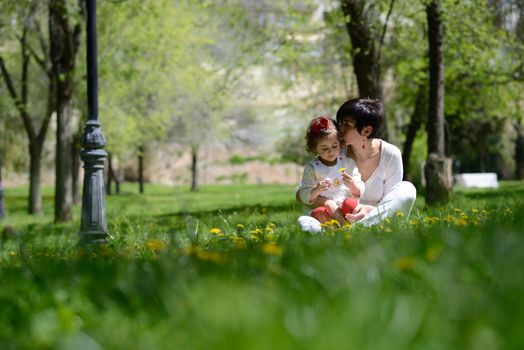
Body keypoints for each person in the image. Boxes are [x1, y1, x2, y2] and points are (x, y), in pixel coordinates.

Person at [297, 98, 416, 233]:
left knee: (408, 189)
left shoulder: (391, 154)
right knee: (305, 222)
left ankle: (354, 231)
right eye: (340, 123)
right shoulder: (334, 151)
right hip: (335, 216)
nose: (339, 129)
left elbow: (391, 202)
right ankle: (346, 231)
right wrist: (328, 204)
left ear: (366, 131)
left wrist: (366, 210)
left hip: (375, 219)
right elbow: (302, 193)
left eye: (347, 124)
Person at [296, 116, 365, 225]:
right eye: (324, 148)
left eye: (334, 146)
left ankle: (347, 223)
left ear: (340, 143)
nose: (331, 151)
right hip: (325, 207)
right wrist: (316, 190)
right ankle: (333, 226)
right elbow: (303, 194)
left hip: (345, 206)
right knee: (318, 213)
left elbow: (360, 190)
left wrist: (352, 184)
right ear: (314, 148)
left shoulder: (348, 163)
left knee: (351, 204)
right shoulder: (312, 168)